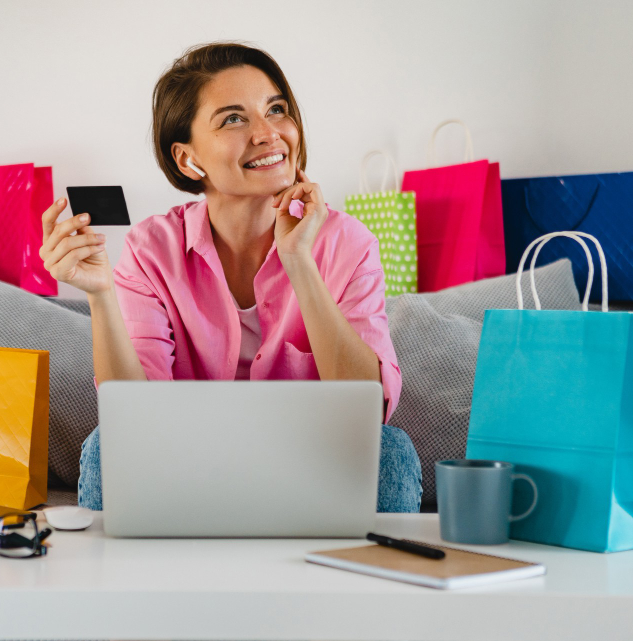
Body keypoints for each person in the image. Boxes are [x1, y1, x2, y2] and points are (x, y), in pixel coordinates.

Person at [38, 42, 421, 512]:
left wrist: (299, 261)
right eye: (233, 119)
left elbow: (369, 412)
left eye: (276, 110)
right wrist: (100, 297)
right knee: (105, 446)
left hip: (312, 464)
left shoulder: (348, 244)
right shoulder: (151, 250)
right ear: (186, 158)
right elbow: (132, 419)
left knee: (392, 453)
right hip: (189, 467)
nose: (268, 134)